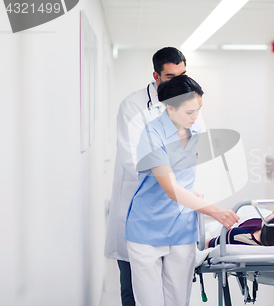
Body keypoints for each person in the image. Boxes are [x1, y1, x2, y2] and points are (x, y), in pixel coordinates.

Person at [125, 75, 239, 306]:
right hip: (148, 230)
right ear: (170, 107)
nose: (196, 117)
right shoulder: (152, 135)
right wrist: (215, 212)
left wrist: (192, 193)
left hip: (181, 229)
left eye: (198, 110)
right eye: (189, 112)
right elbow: (172, 189)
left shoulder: (194, 130)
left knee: (179, 301)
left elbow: (181, 176)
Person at [104, 47, 188, 306]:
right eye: (172, 77)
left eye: (183, 74)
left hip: (173, 215)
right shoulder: (133, 106)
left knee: (171, 290)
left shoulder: (188, 101)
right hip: (139, 211)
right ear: (156, 75)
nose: (180, 82)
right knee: (133, 292)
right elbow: (135, 159)